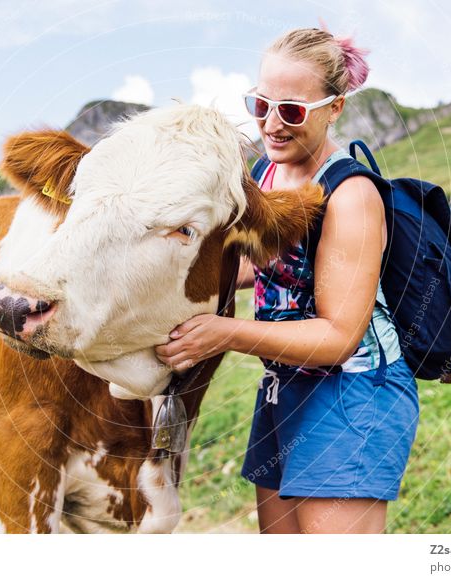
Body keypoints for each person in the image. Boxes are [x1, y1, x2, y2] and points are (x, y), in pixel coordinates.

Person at [155, 27, 419, 534]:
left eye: (292, 111)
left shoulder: (350, 194)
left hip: (353, 392)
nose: (271, 124)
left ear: (334, 108)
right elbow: (272, 266)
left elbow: (339, 337)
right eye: (260, 104)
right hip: (283, 386)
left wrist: (225, 333)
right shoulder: (265, 175)